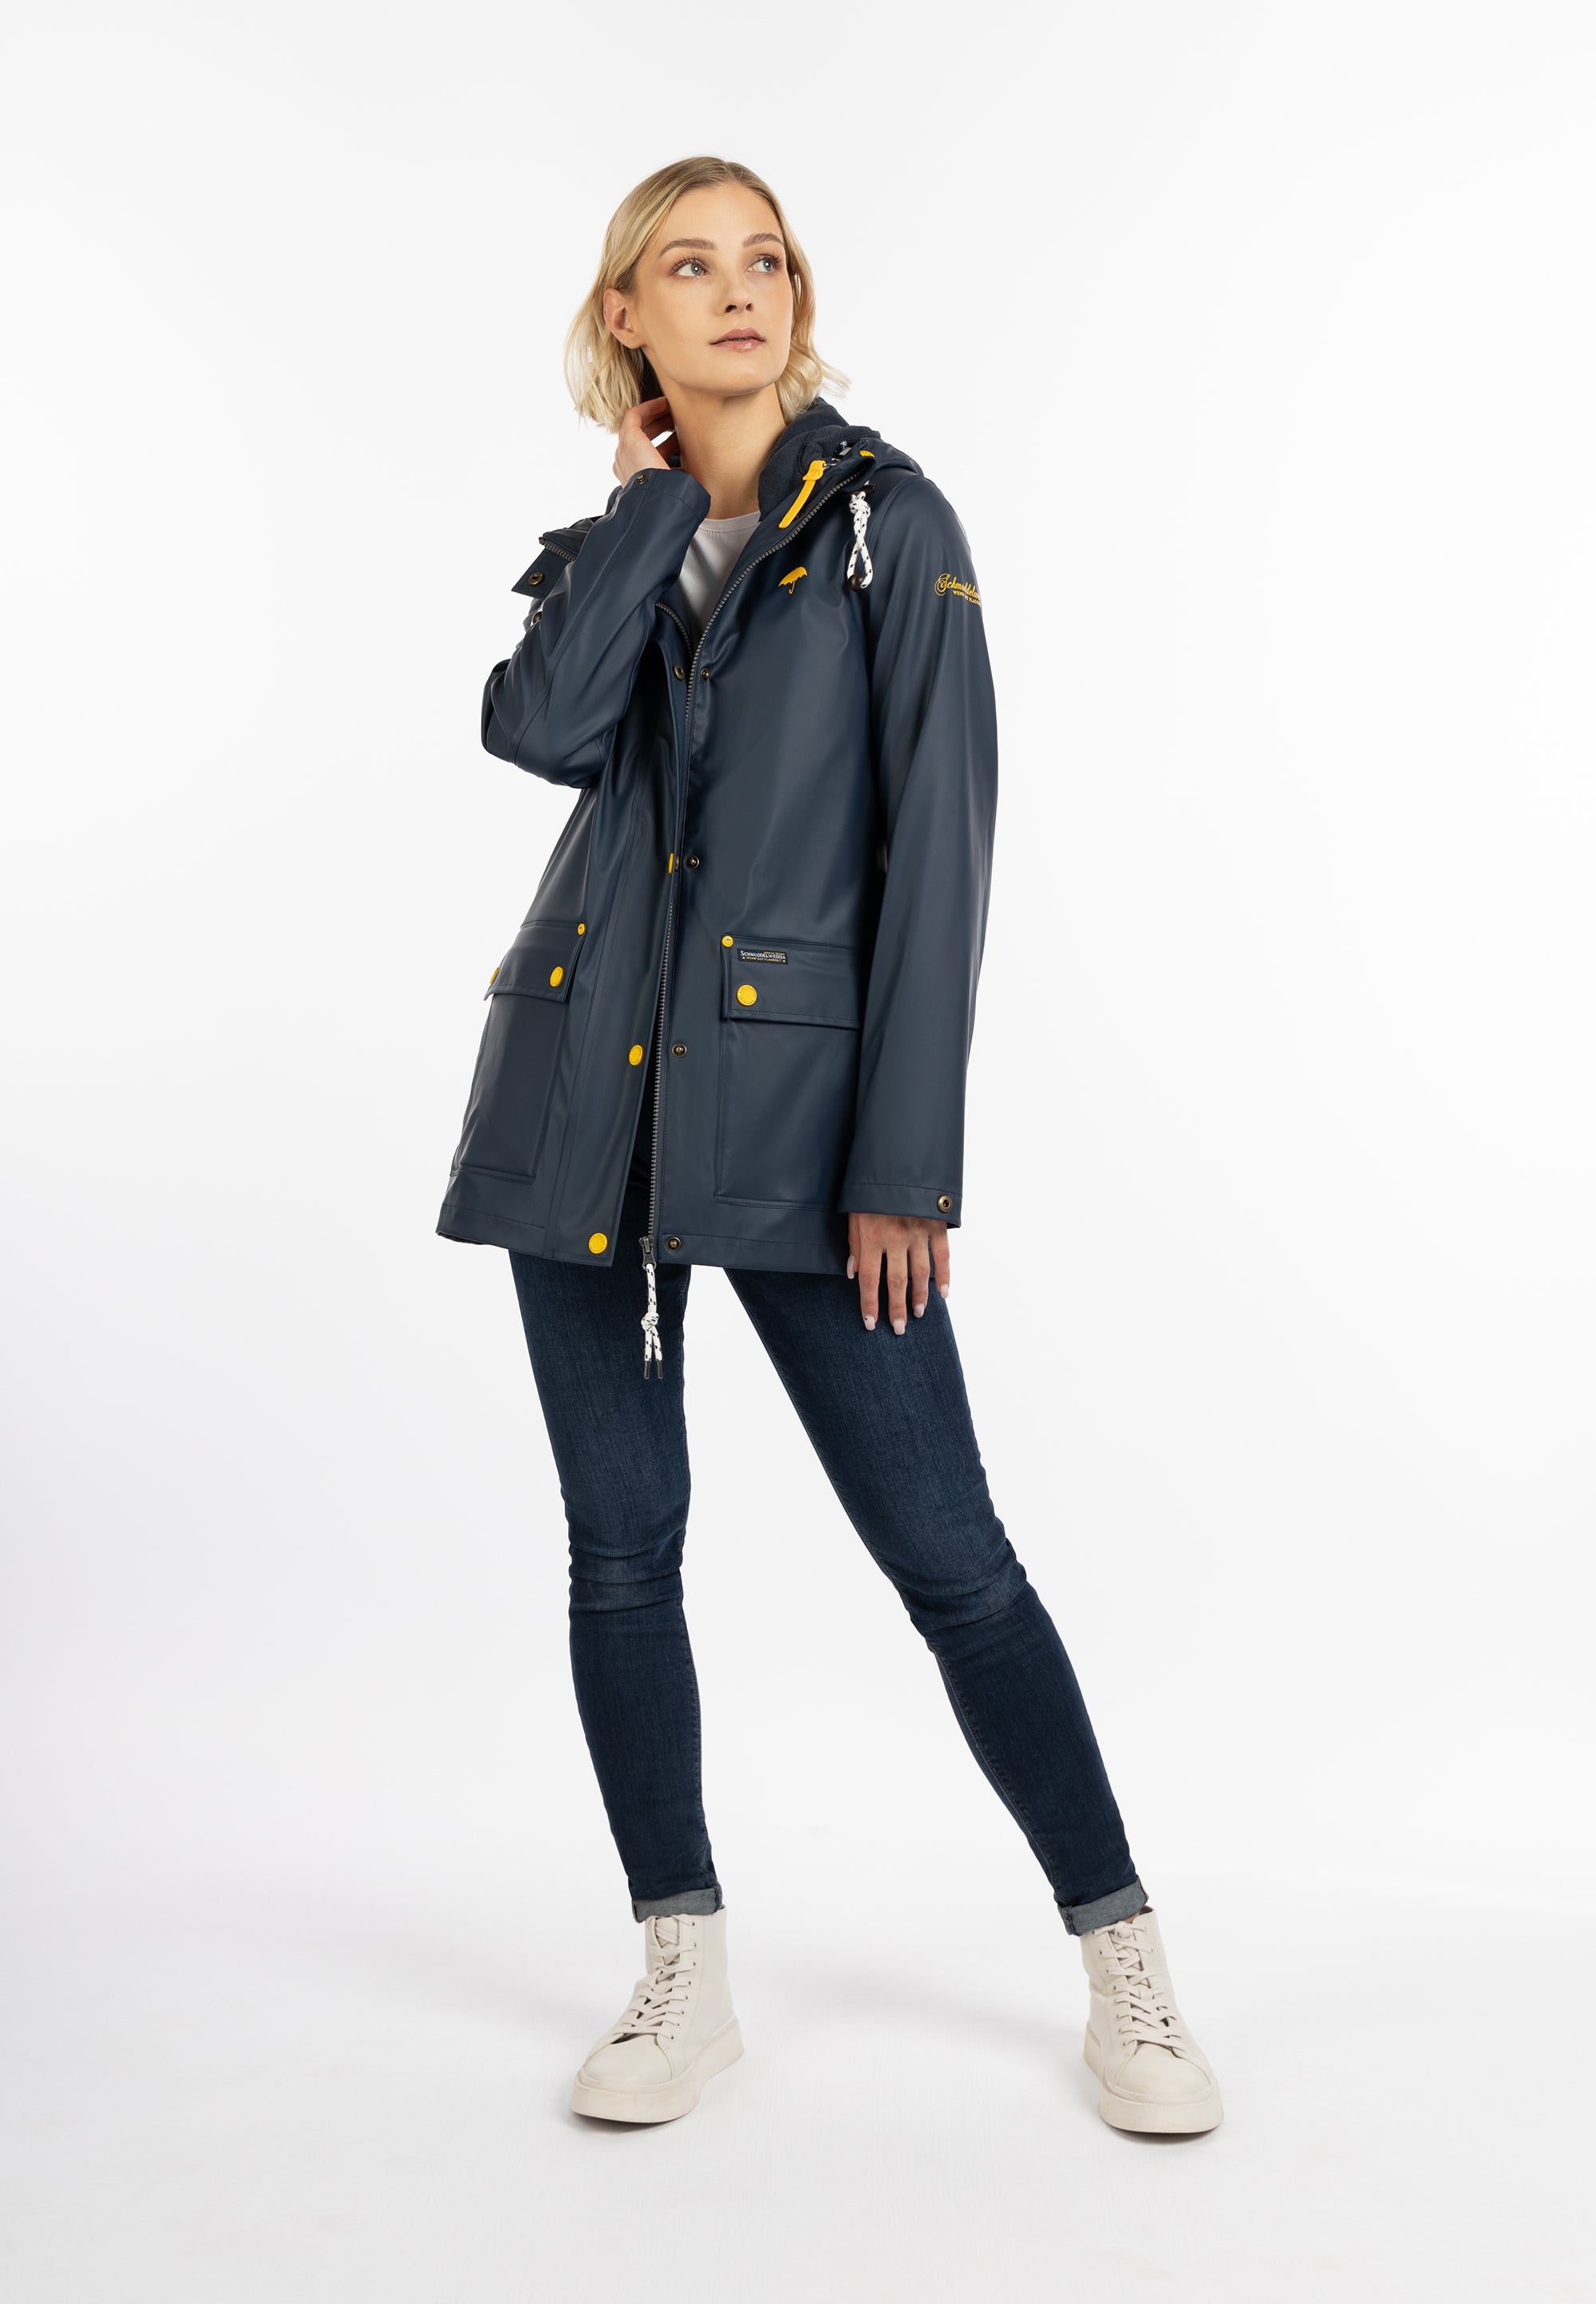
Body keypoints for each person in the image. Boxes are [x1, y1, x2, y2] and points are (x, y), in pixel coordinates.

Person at [437, 156, 1222, 2136]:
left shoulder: (890, 528)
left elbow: (940, 851)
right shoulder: (609, 543)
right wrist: (642, 513)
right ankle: (680, 1969)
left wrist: (907, 1165)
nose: (739, 292)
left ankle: (1124, 1962)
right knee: (622, 1554)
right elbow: (538, 733)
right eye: (689, 266)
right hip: (585, 1107)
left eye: (766, 260)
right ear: (626, 316)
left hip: (807, 1131)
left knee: (951, 1557)